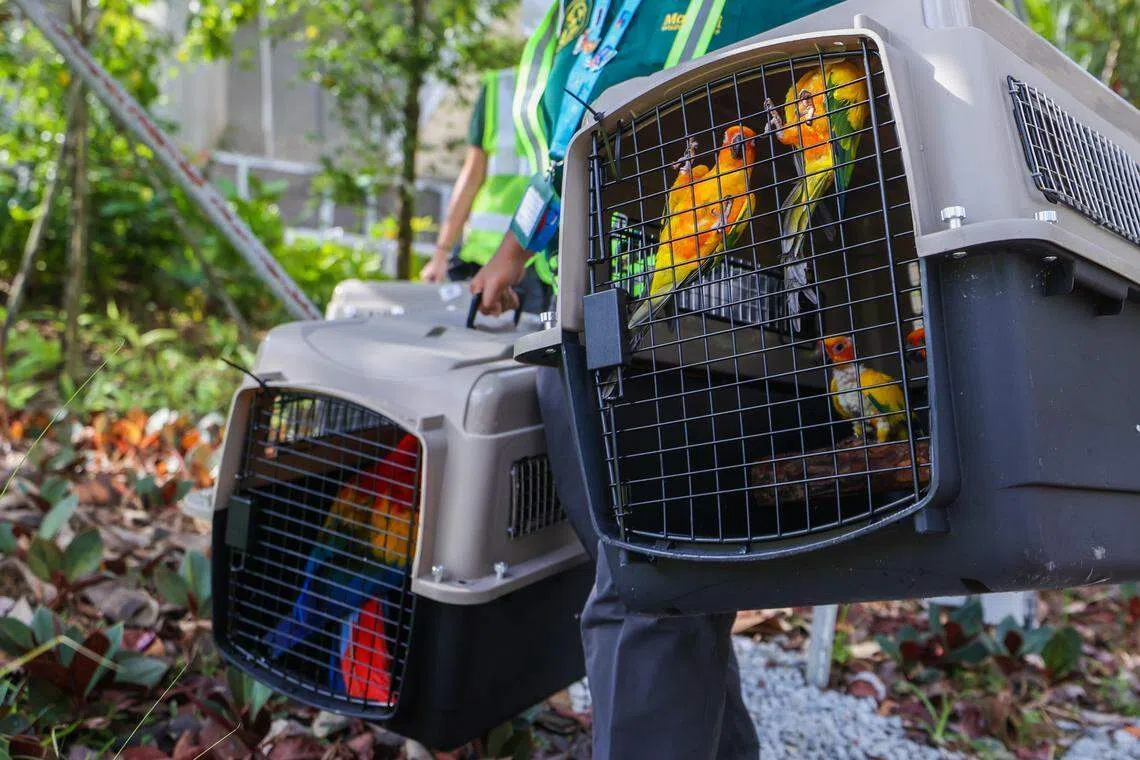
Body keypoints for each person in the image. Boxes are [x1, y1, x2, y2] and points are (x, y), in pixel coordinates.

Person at [470, 1, 845, 757]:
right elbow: (569, 137)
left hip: (703, 334)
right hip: (591, 304)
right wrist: (518, 253)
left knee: (648, 592)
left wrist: (512, 248)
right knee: (678, 590)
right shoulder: (576, 19)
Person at [420, 67, 551, 314]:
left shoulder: (503, 86)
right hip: (499, 258)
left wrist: (442, 252)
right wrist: (441, 253)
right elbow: (472, 175)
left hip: (529, 259)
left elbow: (471, 176)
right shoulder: (499, 86)